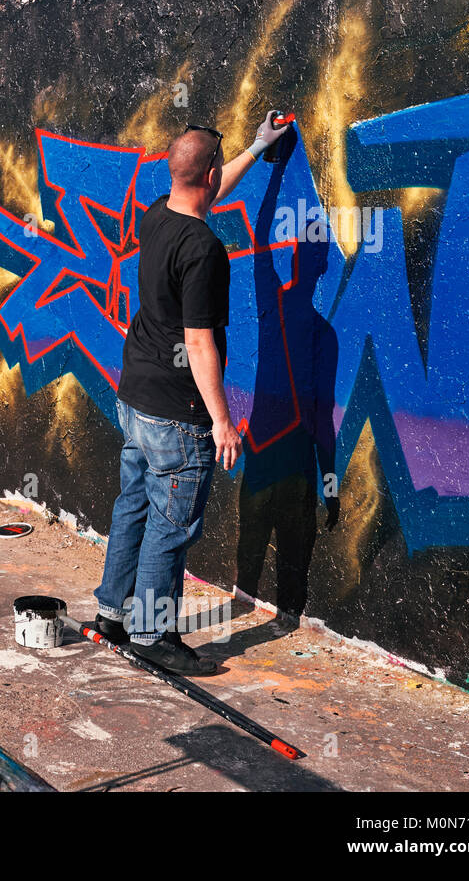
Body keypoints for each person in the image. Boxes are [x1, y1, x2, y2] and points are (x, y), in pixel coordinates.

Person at [92, 112, 292, 676]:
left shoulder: (159, 215)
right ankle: (152, 635)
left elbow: (205, 190)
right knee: (170, 525)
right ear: (206, 175)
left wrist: (255, 149)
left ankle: (112, 611)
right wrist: (223, 422)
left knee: (132, 504)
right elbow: (200, 343)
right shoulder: (204, 249)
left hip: (134, 398)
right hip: (176, 415)